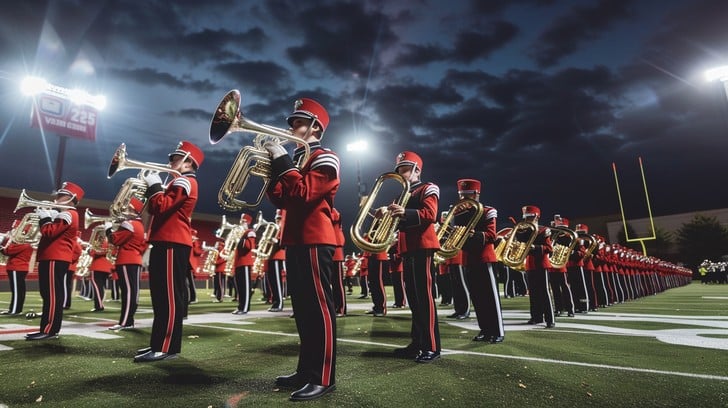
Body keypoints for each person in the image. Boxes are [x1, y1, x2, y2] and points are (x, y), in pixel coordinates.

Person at [265, 97, 339, 401]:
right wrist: (274, 167)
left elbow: (304, 192)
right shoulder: (295, 161)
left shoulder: (326, 157)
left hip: (314, 238)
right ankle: (305, 369)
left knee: (319, 309)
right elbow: (282, 199)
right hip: (294, 239)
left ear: (315, 127)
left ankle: (323, 377)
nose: (292, 127)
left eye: (298, 122)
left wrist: (282, 161)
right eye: (292, 122)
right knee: (302, 311)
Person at [134, 140, 203, 362]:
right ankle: (158, 343)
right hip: (164, 241)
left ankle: (166, 346)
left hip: (174, 242)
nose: (170, 162)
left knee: (170, 297)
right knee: (160, 296)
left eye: (175, 159)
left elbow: (161, 206)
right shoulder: (177, 182)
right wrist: (153, 189)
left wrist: (154, 186)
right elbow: (156, 207)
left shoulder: (186, 181)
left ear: (188, 162)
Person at [383, 151, 441, 363]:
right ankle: (417, 343)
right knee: (415, 300)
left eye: (405, 169)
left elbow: (429, 215)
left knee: (424, 298)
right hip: (407, 248)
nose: (401, 173)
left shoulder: (428, 188)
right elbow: (398, 223)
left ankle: (432, 346)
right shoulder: (399, 196)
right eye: (399, 169)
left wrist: (403, 213)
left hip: (423, 245)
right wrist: (386, 216)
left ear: (417, 170)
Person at [26, 181, 83, 340]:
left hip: (55, 258)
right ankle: (47, 328)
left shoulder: (69, 213)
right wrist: (50, 216)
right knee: (48, 294)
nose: (57, 198)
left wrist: (45, 218)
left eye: (61, 195)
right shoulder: (63, 213)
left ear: (71, 198)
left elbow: (49, 232)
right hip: (51, 257)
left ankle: (49, 329)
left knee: (51, 295)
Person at [455, 179, 505, 343]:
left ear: (476, 194)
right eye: (462, 195)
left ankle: (497, 331)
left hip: (484, 258)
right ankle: (484, 330)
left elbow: (491, 235)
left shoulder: (487, 211)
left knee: (490, 297)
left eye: (467, 195)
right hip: (468, 259)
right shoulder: (458, 213)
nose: (464, 199)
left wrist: (472, 234)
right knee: (477, 298)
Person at [106, 197, 147, 330]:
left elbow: (114, 240)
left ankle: (125, 322)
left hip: (126, 259)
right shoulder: (139, 225)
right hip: (135, 259)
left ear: (133, 210)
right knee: (132, 292)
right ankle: (128, 320)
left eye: (128, 208)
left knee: (128, 292)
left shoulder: (129, 224)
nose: (124, 210)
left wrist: (108, 230)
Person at [522, 205, 555, 328]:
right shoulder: (523, 231)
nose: (528, 220)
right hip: (530, 265)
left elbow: (549, 248)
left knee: (544, 292)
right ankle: (536, 317)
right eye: (526, 217)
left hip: (541, 264)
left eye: (530, 217)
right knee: (533, 293)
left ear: (536, 217)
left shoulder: (543, 230)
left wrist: (535, 247)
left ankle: (550, 319)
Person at [1, 219, 34, 315]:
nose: (14, 231)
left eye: (16, 229)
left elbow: (7, 251)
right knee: (18, 290)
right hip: (19, 268)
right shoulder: (25, 241)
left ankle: (15, 310)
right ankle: (15, 309)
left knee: (17, 291)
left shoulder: (22, 242)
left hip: (17, 267)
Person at [232, 213, 256, 315]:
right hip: (238, 263)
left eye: (243, 221)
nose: (241, 223)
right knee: (240, 287)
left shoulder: (249, 232)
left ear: (247, 223)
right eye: (241, 221)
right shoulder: (242, 233)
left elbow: (249, 246)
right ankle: (240, 306)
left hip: (245, 262)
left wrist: (239, 240)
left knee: (245, 287)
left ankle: (245, 307)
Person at [266, 209, 286, 312]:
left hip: (279, 256)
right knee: (272, 281)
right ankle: (275, 302)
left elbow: (284, 242)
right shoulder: (274, 229)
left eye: (279, 218)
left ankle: (279, 303)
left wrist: (276, 241)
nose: (277, 221)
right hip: (271, 257)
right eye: (277, 219)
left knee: (277, 281)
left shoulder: (284, 228)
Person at [89, 237, 113, 312]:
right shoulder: (110, 242)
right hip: (107, 267)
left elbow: (93, 253)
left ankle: (99, 306)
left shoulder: (100, 242)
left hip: (97, 266)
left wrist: (89, 249)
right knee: (100, 287)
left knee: (97, 287)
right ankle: (100, 304)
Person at [331, 208, 347, 316]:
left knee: (338, 282)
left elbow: (334, 217)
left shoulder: (334, 211)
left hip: (336, 247)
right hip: (329, 245)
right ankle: (334, 306)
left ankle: (341, 308)